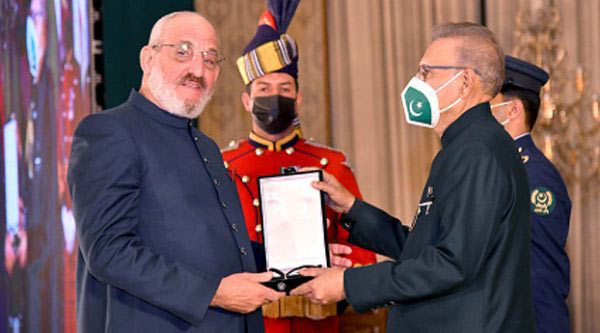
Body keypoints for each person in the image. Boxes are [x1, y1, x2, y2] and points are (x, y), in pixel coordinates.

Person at [291, 22, 536, 332]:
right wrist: (353, 209)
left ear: (465, 82)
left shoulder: (477, 151)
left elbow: (452, 263)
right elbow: (426, 250)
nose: (416, 83)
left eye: (427, 72)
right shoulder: (465, 146)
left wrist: (348, 283)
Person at [67, 11, 285, 332]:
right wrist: (214, 293)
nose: (198, 70)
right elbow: (108, 251)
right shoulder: (109, 131)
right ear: (148, 58)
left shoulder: (206, 146)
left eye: (210, 60)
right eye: (182, 52)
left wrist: (299, 260)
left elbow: (219, 248)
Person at [222, 1, 377, 332]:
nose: (274, 97)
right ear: (246, 100)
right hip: (247, 323)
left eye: (284, 89)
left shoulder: (330, 163)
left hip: (319, 321)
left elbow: (362, 253)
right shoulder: (223, 168)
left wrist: (341, 266)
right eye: (263, 89)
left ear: (299, 97)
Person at [490, 55, 571, 332]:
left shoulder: (534, 175)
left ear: (512, 110)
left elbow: (539, 270)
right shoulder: (502, 167)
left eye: (488, 102)